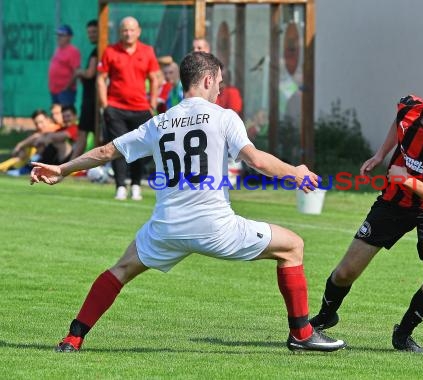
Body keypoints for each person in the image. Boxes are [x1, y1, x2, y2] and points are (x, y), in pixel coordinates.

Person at [30, 51, 346, 354]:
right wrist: (297, 173)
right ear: (207, 80)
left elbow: (104, 153)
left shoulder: (159, 123)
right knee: (292, 247)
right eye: (220, 83)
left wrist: (62, 169)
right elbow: (256, 161)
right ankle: (302, 334)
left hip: (166, 228)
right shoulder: (224, 117)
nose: (221, 90)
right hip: (216, 228)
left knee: (121, 269)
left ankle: (73, 337)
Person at [309, 78, 423, 353]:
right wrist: (380, 155)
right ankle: (326, 316)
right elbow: (398, 125)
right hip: (394, 202)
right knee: (345, 272)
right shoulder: (409, 107)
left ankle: (403, 334)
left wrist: (409, 181)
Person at [97, 16, 160, 201]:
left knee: (139, 147)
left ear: (138, 31)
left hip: (141, 109)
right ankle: (120, 186)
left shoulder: (147, 51)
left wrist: (153, 104)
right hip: (115, 108)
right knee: (118, 146)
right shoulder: (110, 51)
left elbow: (154, 78)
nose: (128, 33)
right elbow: (101, 79)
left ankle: (135, 184)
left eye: (132, 29)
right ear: (120, 32)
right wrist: (105, 105)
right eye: (125, 29)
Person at [0, 109, 61, 174]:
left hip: (56, 162)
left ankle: (24, 168)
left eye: (41, 122)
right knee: (26, 149)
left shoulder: (55, 128)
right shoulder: (39, 133)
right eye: (36, 123)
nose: (39, 126)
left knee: (38, 142)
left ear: (48, 119)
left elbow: (37, 136)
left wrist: (20, 145)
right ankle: (14, 168)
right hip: (42, 160)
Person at [72, 19, 99, 160]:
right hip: (91, 98)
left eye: (94, 32)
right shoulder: (97, 50)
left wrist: (78, 72)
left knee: (83, 133)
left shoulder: (97, 51)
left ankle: (69, 166)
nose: (91, 35)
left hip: (92, 100)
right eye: (89, 32)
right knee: (93, 133)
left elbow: (90, 73)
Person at [48, 25, 81, 106]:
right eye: (58, 35)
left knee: (66, 115)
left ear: (70, 37)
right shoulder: (58, 49)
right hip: (54, 90)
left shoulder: (73, 51)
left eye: (62, 35)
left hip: (65, 91)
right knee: (56, 115)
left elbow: (76, 71)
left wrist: (67, 87)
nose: (59, 37)